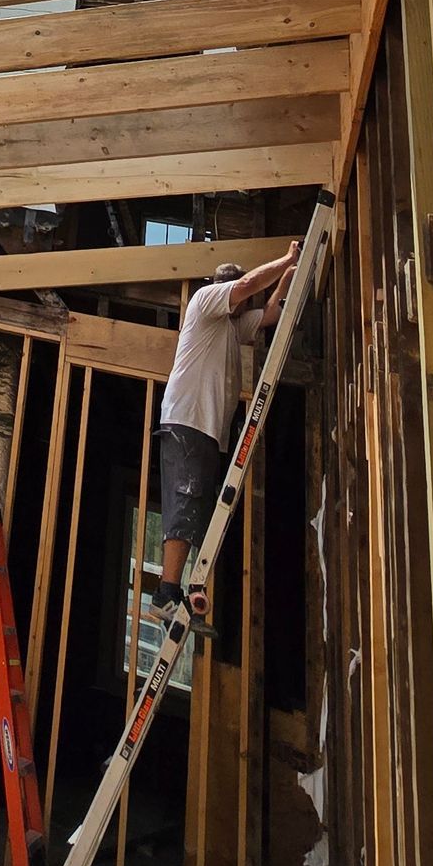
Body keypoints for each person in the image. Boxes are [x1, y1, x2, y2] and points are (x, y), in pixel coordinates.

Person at [152, 246, 299, 621]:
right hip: (188, 421)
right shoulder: (205, 302)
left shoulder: (232, 327)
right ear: (225, 290)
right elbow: (249, 284)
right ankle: (165, 593)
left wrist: (289, 276)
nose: (241, 301)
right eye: (237, 295)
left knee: (197, 505)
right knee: (186, 501)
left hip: (206, 431)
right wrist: (282, 260)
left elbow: (269, 314)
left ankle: (179, 588)